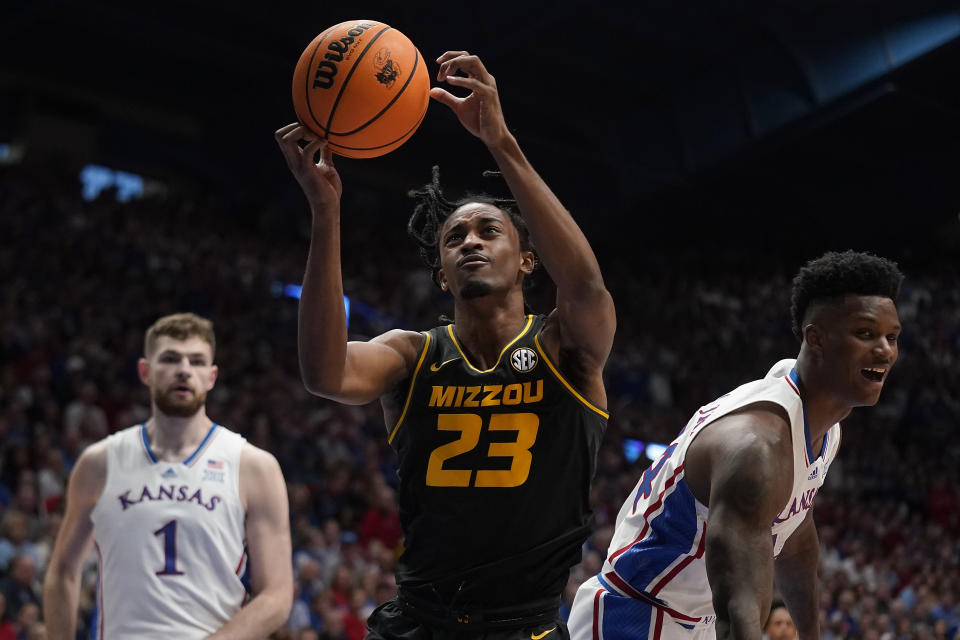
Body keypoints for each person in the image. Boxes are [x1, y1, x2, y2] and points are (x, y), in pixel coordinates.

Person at [275, 49, 616, 638]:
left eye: (491, 230)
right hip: (419, 622)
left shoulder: (567, 348)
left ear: (528, 260)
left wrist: (499, 140)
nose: (470, 242)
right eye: (454, 237)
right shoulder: (413, 355)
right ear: (442, 274)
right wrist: (325, 211)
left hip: (525, 627)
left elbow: (584, 282)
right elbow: (324, 374)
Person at [568, 251, 903, 640]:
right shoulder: (756, 448)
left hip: (695, 621)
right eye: (865, 334)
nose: (884, 350)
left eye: (891, 337)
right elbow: (739, 611)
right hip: (636, 616)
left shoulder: (823, 426)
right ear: (817, 339)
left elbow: (794, 534)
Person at [43, 313, 293, 639]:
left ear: (211, 376)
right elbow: (62, 572)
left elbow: (277, 595)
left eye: (197, 361)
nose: (184, 370)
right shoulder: (99, 463)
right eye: (171, 359)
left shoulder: (254, 466)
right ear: (145, 372)